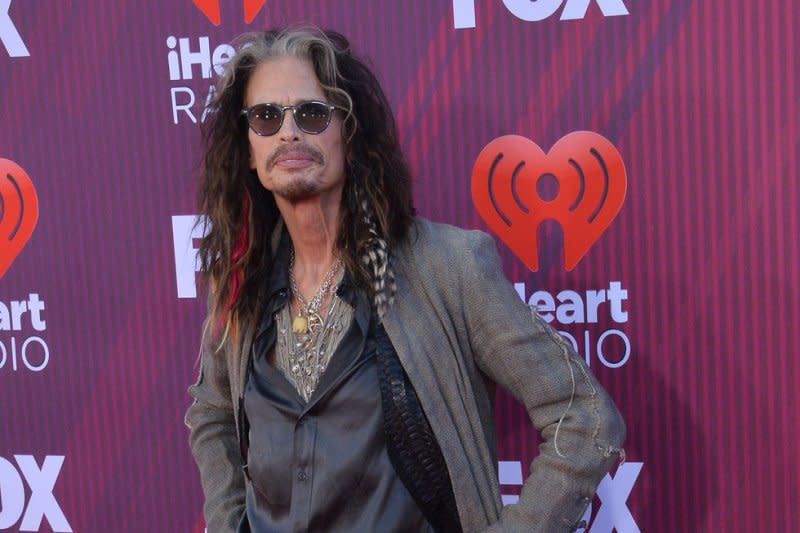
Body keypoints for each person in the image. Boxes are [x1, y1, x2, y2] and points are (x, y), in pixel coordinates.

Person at [185, 26, 625, 533]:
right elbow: (212, 412)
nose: (288, 133)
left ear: (349, 135)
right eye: (265, 117)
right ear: (247, 150)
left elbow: (585, 415)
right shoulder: (243, 280)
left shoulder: (446, 266)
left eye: (311, 114)